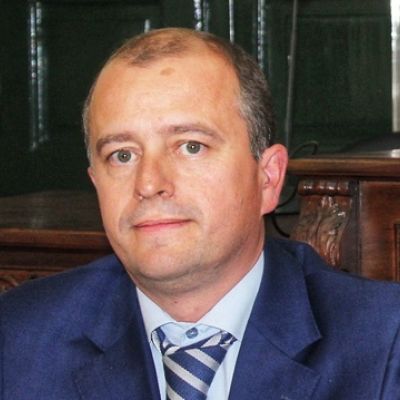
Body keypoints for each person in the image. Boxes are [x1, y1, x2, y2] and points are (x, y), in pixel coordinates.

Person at [1, 27, 400, 400]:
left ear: (268, 178)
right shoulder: (17, 340)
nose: (149, 183)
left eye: (191, 146)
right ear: (95, 182)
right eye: (122, 155)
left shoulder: (384, 342)